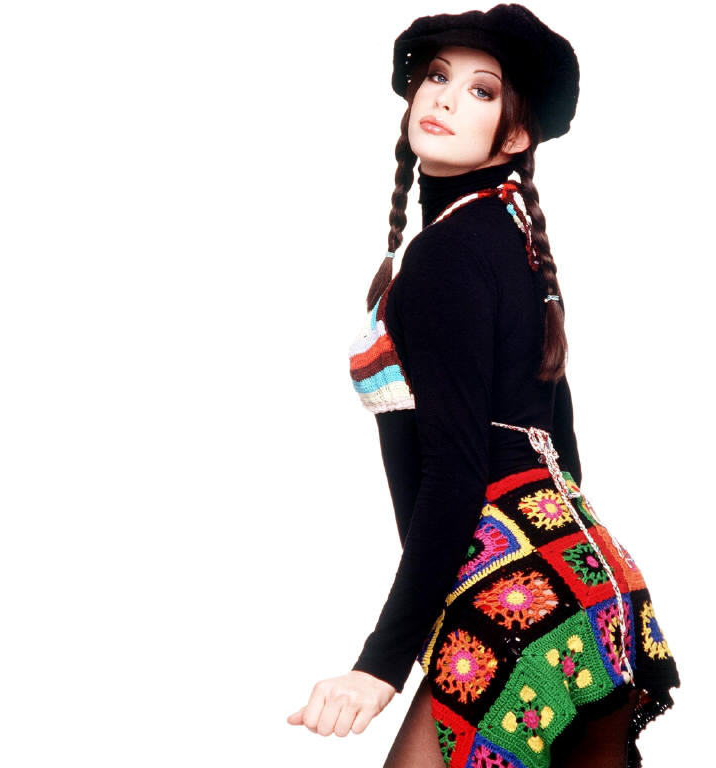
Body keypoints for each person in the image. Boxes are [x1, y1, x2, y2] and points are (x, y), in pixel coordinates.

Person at [286, 5, 681, 767]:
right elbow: (560, 443)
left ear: (516, 133)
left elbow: (456, 472)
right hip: (584, 581)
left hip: (516, 595)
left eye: (481, 90)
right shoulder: (507, 235)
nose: (442, 98)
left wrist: (380, 664)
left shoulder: (449, 253)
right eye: (437, 77)